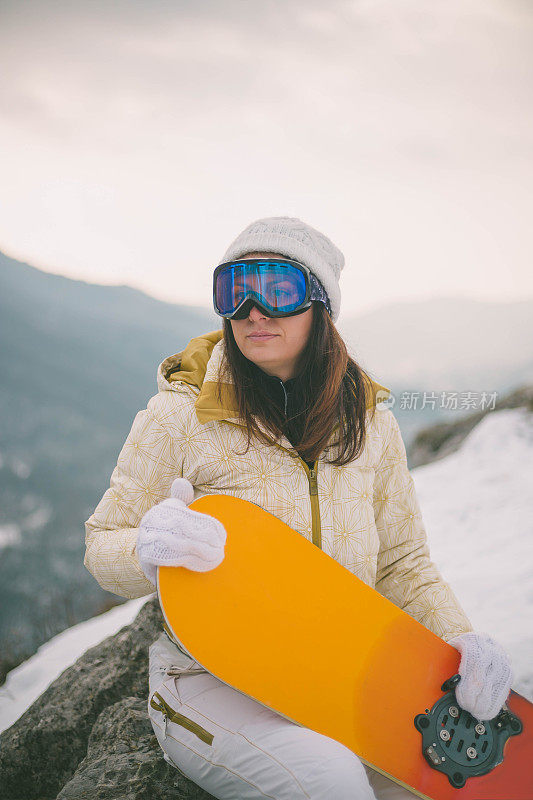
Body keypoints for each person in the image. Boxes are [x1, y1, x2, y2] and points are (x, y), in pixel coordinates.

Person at [84, 216, 514, 800]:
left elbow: (402, 562)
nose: (254, 311)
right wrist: (146, 549)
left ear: (320, 304)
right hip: (209, 683)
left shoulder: (369, 424)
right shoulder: (180, 418)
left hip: (333, 678)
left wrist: (458, 642)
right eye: (234, 291)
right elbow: (101, 545)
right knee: (327, 783)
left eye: (277, 289)